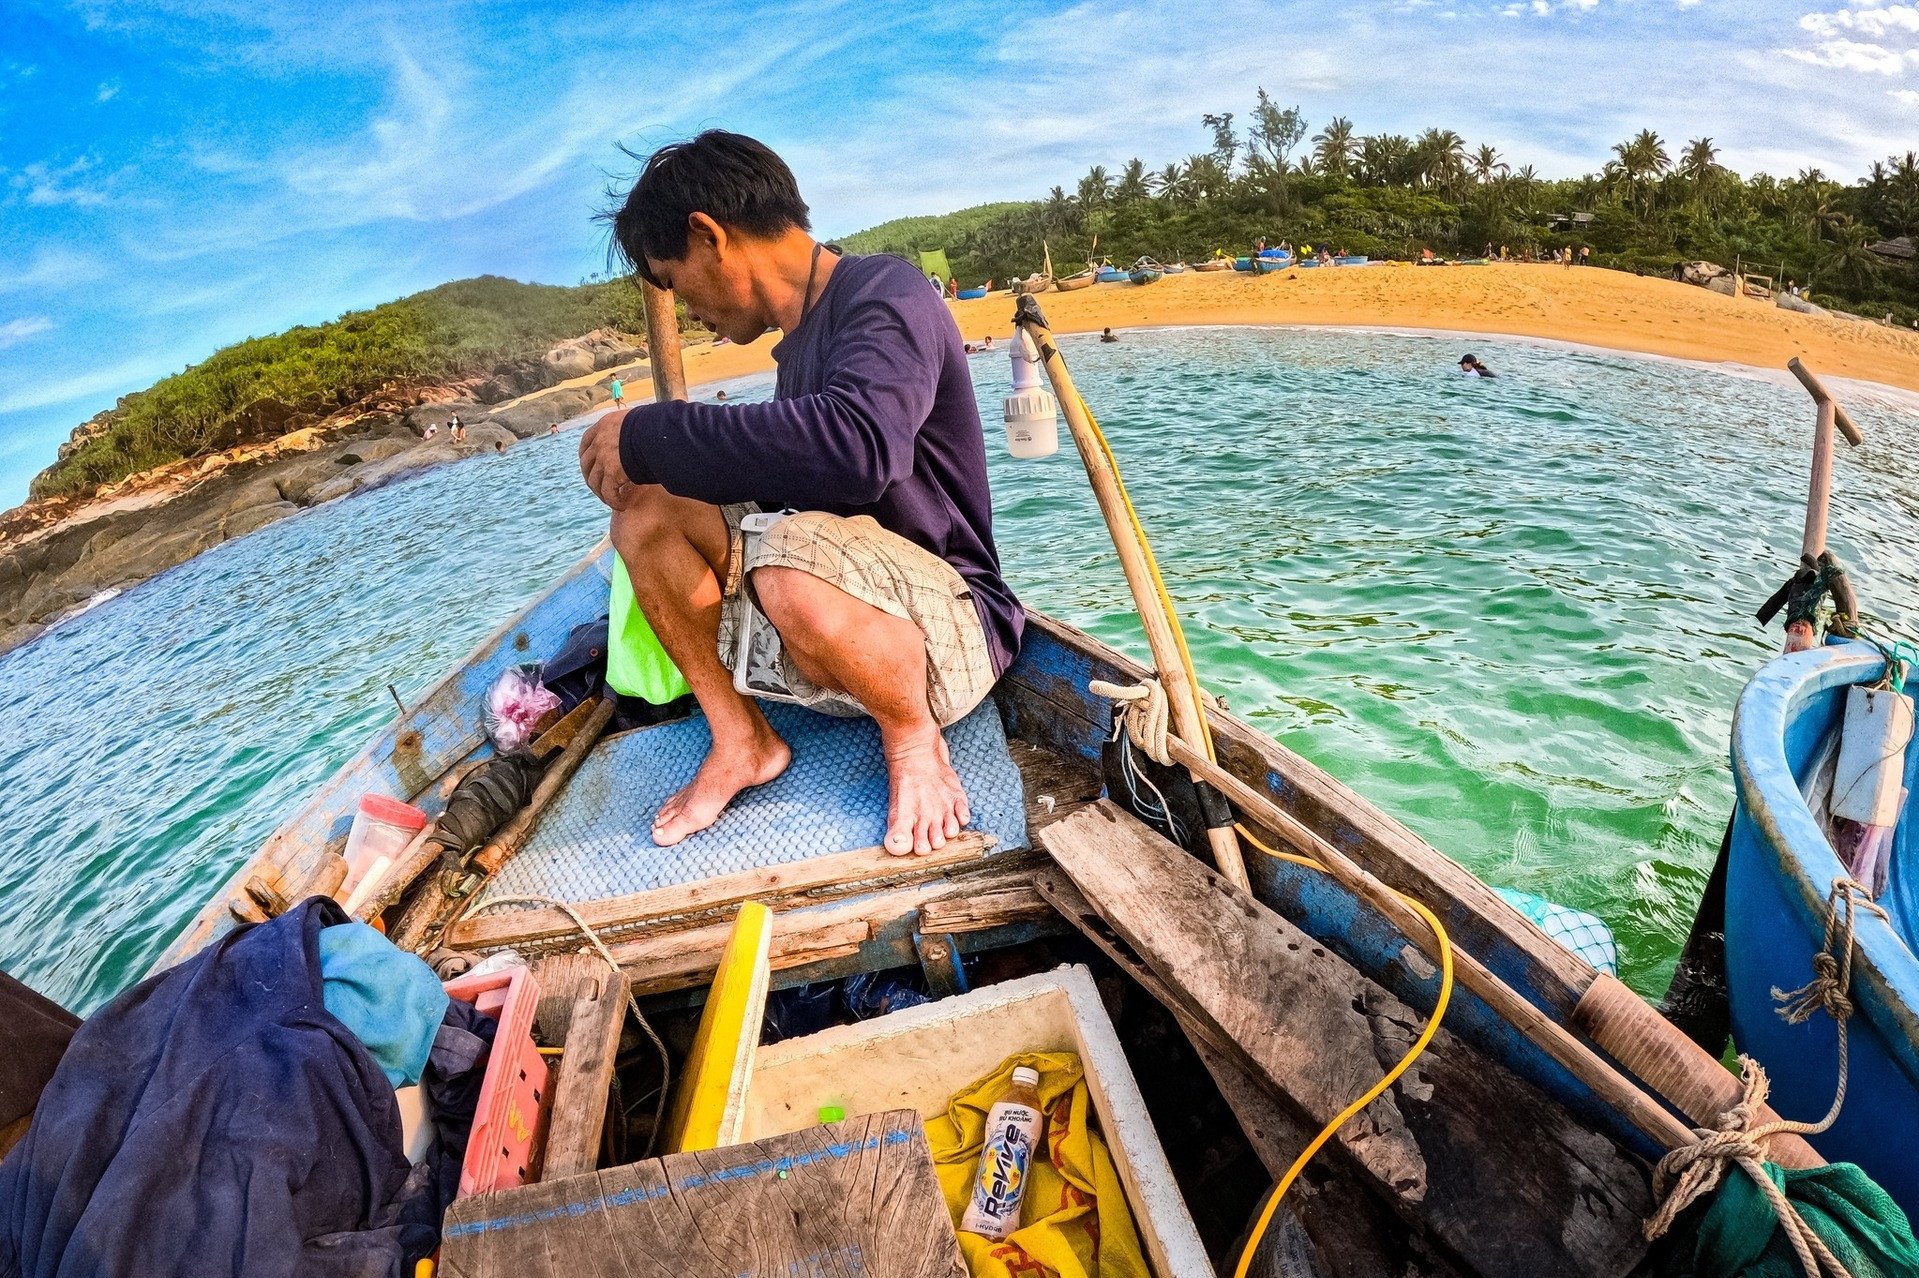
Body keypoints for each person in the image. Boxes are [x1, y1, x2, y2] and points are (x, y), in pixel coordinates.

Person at [579, 130, 1021, 855]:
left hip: (947, 637)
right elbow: (791, 473)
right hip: (836, 641)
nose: (684, 306)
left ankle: (912, 745)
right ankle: (741, 738)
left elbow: (860, 447)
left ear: (708, 235)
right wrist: (647, 464)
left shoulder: (885, 293)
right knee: (647, 511)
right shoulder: (798, 354)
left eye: (671, 276)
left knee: (782, 562)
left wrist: (652, 432)